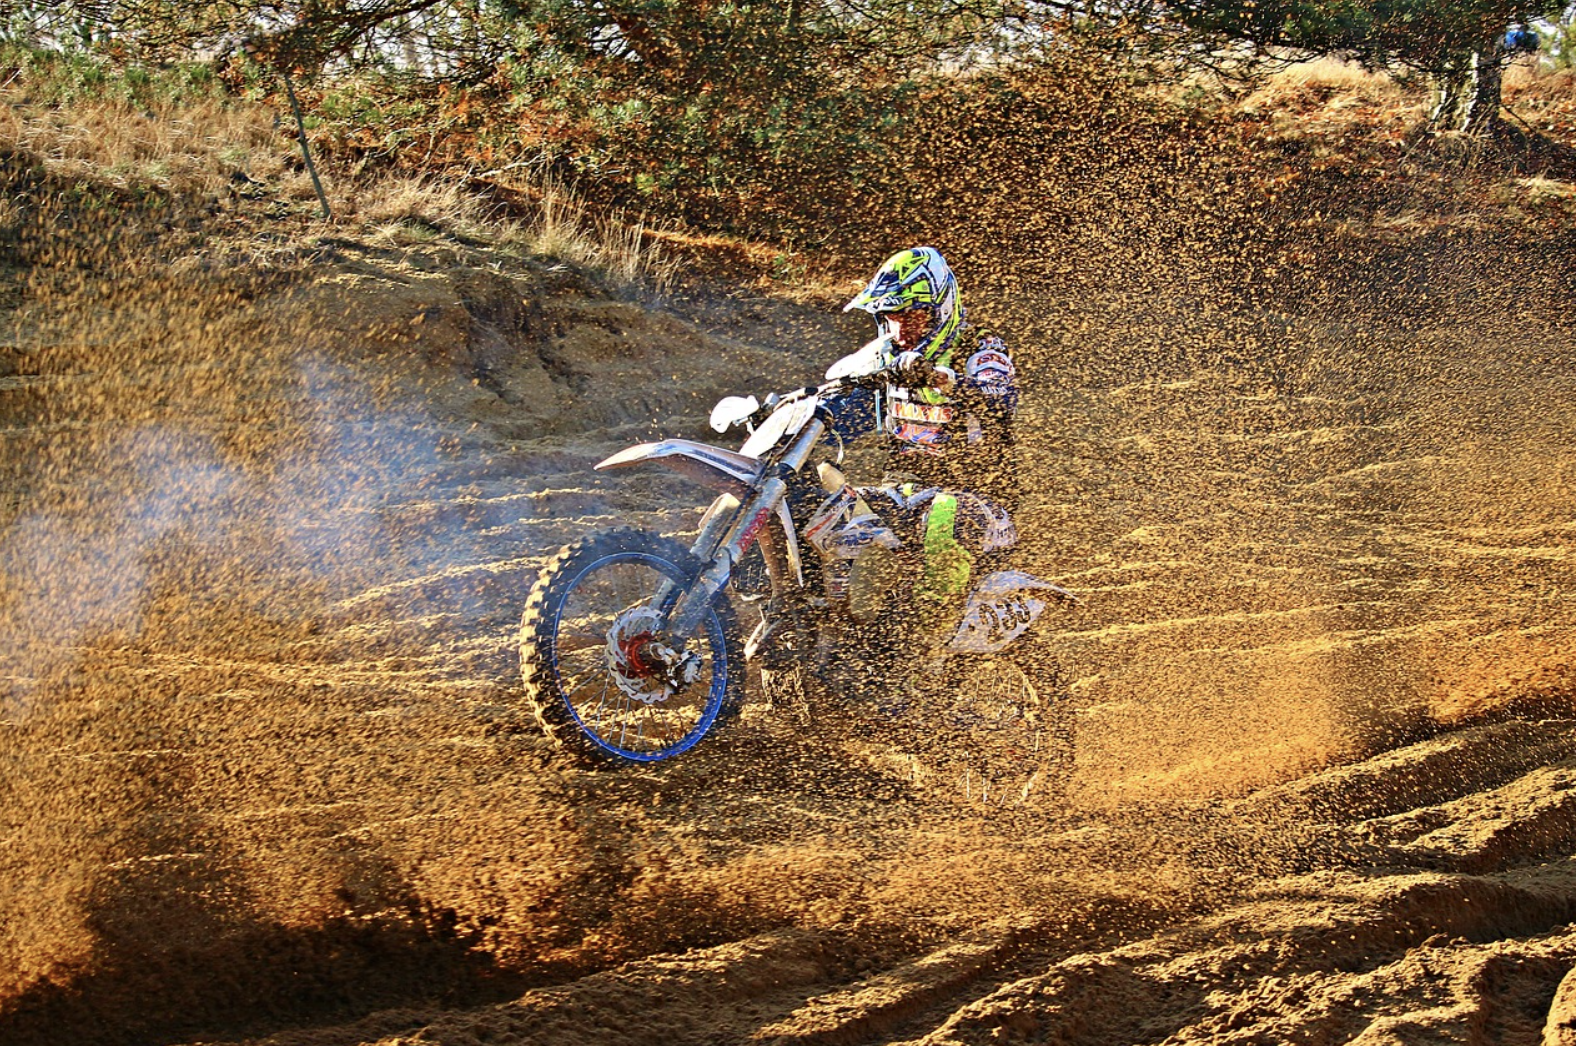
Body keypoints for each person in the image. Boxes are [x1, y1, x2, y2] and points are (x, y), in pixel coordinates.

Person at [834, 245, 1021, 616]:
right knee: (832, 508)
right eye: (891, 317)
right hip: (903, 493)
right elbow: (840, 404)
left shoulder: (980, 347)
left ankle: (928, 630)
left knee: (944, 513)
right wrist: (781, 412)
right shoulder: (884, 356)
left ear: (940, 310)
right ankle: (827, 619)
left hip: (978, 502)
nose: (901, 329)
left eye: (912, 316)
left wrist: (942, 379)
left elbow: (1001, 395)